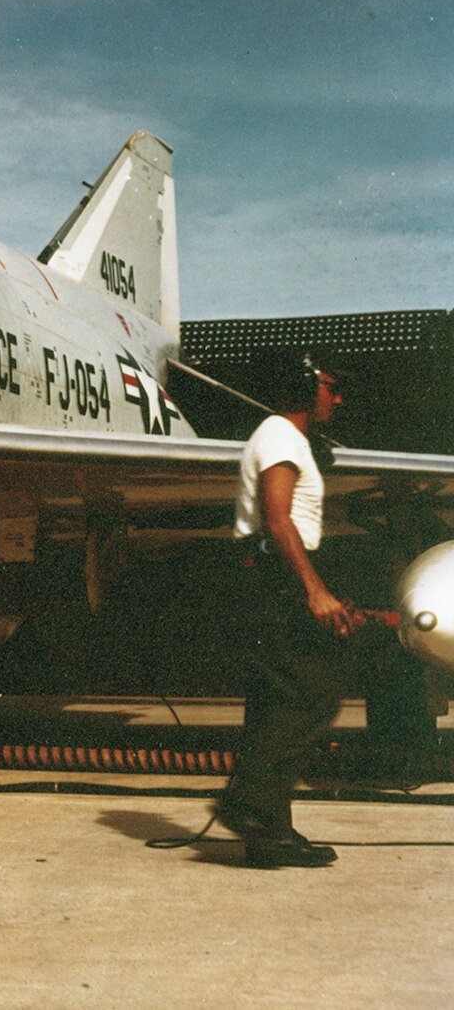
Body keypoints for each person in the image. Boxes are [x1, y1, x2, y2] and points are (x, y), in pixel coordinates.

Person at [214, 359, 364, 869]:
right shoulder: (280, 435)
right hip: (273, 576)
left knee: (276, 700)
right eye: (331, 388)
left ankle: (271, 830)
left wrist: (322, 590)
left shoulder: (287, 438)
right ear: (305, 388)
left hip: (276, 575)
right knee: (312, 693)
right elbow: (279, 522)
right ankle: (247, 803)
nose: (337, 400)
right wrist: (314, 591)